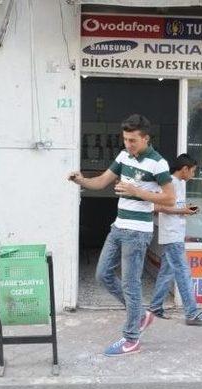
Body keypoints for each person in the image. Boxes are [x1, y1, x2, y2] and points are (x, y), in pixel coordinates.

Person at [68, 114, 175, 356]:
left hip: (138, 232)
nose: (128, 144)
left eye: (133, 140)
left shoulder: (158, 163)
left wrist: (136, 191)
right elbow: (102, 181)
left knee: (130, 284)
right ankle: (139, 315)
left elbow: (169, 198)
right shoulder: (123, 155)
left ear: (146, 138)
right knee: (102, 274)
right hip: (118, 226)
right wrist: (81, 180)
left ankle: (131, 339)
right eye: (126, 139)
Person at [140, 153, 202, 331]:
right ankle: (192, 312)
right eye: (193, 171)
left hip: (176, 233)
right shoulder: (168, 183)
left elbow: (175, 207)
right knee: (182, 272)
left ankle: (155, 307)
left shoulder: (181, 183)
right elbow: (155, 207)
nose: (193, 175)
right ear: (185, 169)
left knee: (167, 272)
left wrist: (185, 210)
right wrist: (182, 211)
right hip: (171, 234)